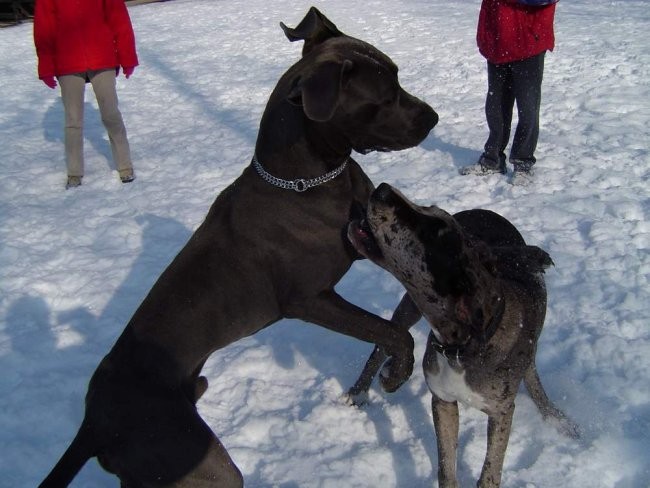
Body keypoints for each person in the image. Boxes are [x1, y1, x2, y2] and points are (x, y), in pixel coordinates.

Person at [34, 0, 139, 189]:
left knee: (111, 114)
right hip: (67, 61)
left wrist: (127, 56)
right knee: (73, 121)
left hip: (102, 57)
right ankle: (74, 173)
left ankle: (125, 167)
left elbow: (119, 19)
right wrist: (46, 66)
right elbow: (44, 28)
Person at [460, 0, 557, 184]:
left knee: (527, 108)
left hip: (528, 44)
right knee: (496, 107)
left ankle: (523, 162)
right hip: (498, 43)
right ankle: (493, 159)